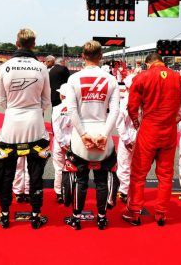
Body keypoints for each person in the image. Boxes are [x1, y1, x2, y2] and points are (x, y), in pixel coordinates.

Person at [0, 28, 51, 229]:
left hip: (11, 123)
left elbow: (1, 99)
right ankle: (35, 214)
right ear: (33, 44)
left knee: (6, 171)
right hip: (35, 121)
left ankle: (4, 213)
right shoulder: (41, 67)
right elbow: (46, 101)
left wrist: (15, 107)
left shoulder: (4, 67)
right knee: (36, 172)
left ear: (16, 43)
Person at [122, 52, 181, 227]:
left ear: (148, 63)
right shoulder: (178, 77)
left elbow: (132, 107)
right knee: (166, 175)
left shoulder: (142, 76)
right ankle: (161, 213)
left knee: (138, 173)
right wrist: (174, 121)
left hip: (149, 129)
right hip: (169, 130)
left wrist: (137, 124)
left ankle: (134, 212)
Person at [63, 40, 119, 230]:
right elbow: (115, 112)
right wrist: (104, 134)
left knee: (80, 179)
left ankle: (76, 218)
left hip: (81, 137)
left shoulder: (73, 79)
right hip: (104, 133)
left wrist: (83, 134)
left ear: (83, 57)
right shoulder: (111, 79)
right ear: (101, 56)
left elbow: (71, 110)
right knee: (102, 180)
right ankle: (102, 218)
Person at [115, 75, 137, 203]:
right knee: (136, 165)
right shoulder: (145, 99)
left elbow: (119, 123)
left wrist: (126, 139)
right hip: (140, 135)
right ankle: (133, 190)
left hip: (129, 134)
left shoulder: (125, 101)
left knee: (124, 164)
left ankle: (124, 191)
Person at [51, 83, 73, 204]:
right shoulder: (77, 108)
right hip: (73, 142)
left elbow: (56, 128)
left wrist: (61, 142)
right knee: (73, 168)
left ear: (63, 95)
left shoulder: (57, 109)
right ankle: (72, 190)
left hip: (60, 142)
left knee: (59, 168)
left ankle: (59, 193)